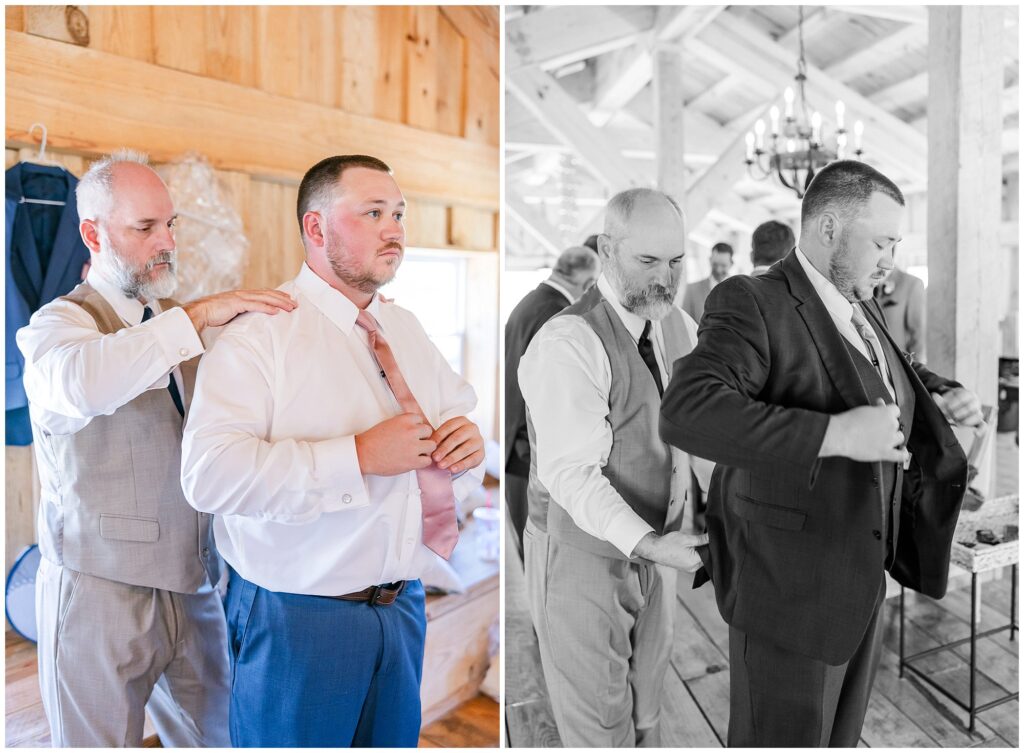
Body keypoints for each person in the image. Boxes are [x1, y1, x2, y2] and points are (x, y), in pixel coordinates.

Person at [660, 160, 981, 747]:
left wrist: (939, 390)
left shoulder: (859, 297)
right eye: (881, 242)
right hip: (788, 589)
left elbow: (885, 367)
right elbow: (689, 410)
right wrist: (834, 436)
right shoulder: (751, 299)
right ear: (829, 228)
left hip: (860, 580)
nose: (890, 258)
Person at [180, 154, 486, 747]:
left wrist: (466, 445)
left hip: (401, 610)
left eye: (397, 213)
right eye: (372, 212)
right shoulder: (258, 338)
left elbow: (454, 423)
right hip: (299, 620)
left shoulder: (410, 331)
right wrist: (359, 457)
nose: (394, 229)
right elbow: (208, 477)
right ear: (316, 229)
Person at [16, 149, 296, 747]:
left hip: (195, 585)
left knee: (217, 738)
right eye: (145, 228)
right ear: (92, 234)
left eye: (171, 224)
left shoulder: (178, 322)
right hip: (98, 592)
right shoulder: (55, 328)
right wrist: (194, 320)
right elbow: (85, 382)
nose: (166, 241)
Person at [519, 188, 708, 747]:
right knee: (598, 720)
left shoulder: (680, 328)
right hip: (579, 552)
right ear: (606, 248)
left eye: (675, 262)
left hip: (660, 546)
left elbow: (699, 429)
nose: (665, 278)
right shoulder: (567, 340)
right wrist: (649, 544)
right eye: (647, 261)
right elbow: (573, 475)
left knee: (647, 696)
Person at [505, 245, 599, 561]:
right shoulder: (558, 315)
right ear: (587, 282)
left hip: (512, 438)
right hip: (528, 448)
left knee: (527, 539)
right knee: (541, 547)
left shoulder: (529, 301)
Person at [875, 263, 926, 362]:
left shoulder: (912, 284)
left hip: (899, 362)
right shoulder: (865, 283)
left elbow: (918, 333)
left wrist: (916, 371)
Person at [682, 241, 733, 322]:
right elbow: (684, 324)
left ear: (731, 264)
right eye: (715, 264)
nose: (719, 270)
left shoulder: (739, 291)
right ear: (710, 260)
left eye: (723, 265)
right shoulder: (692, 290)